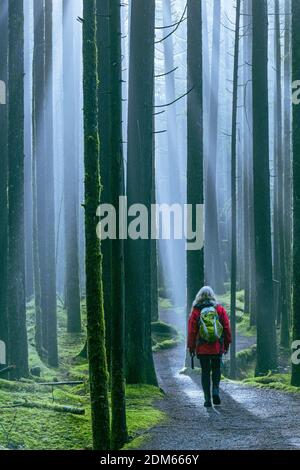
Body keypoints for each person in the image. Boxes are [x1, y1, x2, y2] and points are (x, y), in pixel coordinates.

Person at [188, 286, 232, 408]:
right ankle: (215, 392)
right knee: (216, 369)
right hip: (217, 347)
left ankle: (207, 399)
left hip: (202, 348)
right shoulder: (219, 309)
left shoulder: (196, 311)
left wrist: (191, 347)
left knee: (205, 372)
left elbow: (192, 331)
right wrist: (227, 343)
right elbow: (227, 327)